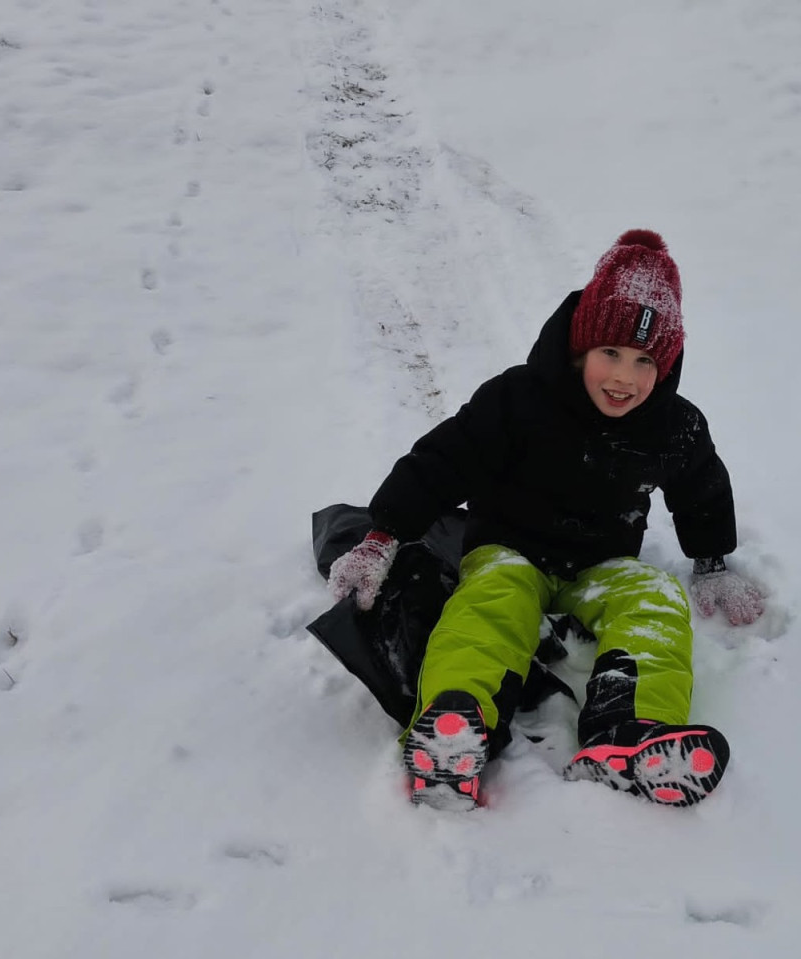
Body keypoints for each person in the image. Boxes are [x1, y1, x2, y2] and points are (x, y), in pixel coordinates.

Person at [327, 230, 765, 809]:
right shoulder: (517, 400)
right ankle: (454, 727)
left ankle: (629, 730)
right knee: (490, 605)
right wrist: (383, 535)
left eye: (644, 361)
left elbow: (702, 486)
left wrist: (710, 562)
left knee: (655, 599)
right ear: (580, 348)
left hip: (602, 564)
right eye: (610, 353)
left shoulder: (673, 426)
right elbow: (441, 462)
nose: (625, 378)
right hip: (510, 549)